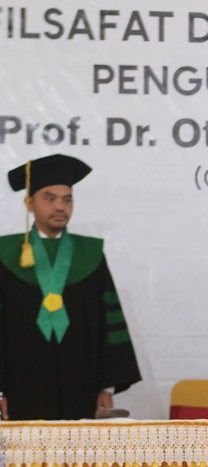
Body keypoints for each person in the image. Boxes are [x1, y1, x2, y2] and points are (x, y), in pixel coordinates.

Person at [0, 154, 141, 420]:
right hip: (20, 387)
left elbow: (108, 324)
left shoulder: (90, 254)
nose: (60, 207)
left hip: (82, 385)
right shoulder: (5, 254)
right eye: (49, 198)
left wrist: (106, 386)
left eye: (67, 199)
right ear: (30, 203)